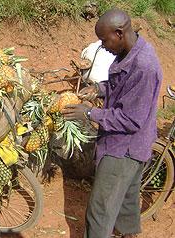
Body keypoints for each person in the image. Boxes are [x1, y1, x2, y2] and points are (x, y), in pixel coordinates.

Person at [62, 8, 162, 238]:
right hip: (131, 144)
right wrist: (98, 89)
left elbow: (130, 119)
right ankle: (129, 234)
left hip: (124, 149)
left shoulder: (144, 66)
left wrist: (89, 114)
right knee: (127, 198)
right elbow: (123, 88)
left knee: (100, 210)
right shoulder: (130, 51)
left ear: (119, 33)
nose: (103, 46)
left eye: (104, 40)